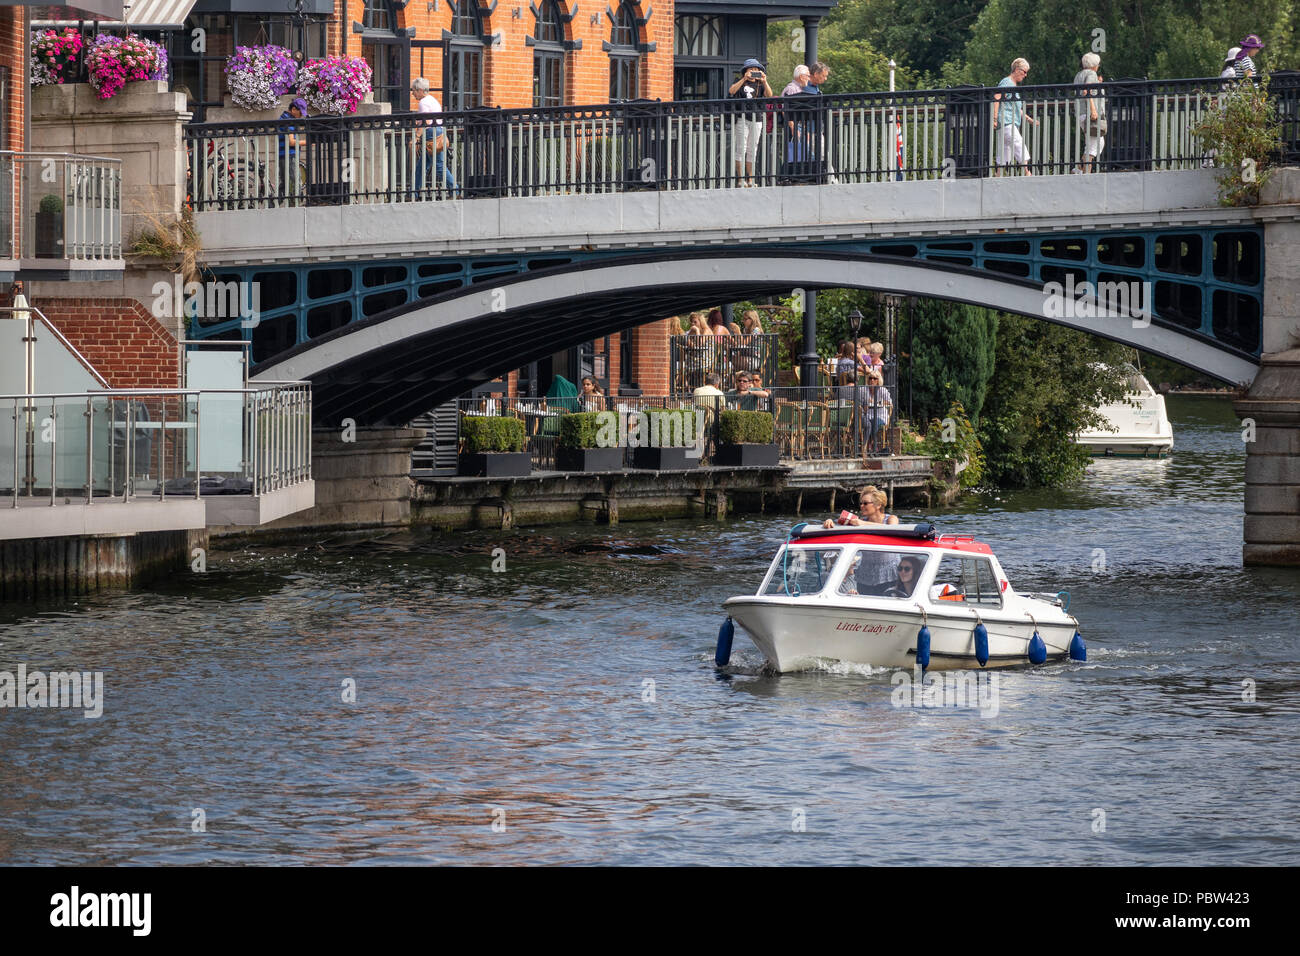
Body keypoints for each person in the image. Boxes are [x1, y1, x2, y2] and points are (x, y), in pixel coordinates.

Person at [729, 58, 772, 188]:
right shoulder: (739, 82)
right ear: (745, 71)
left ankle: (750, 178)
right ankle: (741, 179)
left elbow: (769, 95)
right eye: (751, 69)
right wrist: (744, 79)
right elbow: (731, 91)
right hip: (742, 118)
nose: (754, 71)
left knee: (752, 149)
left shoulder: (760, 84)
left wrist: (765, 81)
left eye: (756, 70)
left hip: (757, 119)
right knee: (741, 148)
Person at [411, 77, 456, 194]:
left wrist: (416, 137)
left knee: (439, 166)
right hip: (438, 131)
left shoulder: (423, 102)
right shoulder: (432, 100)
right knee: (421, 167)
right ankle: (414, 193)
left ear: (420, 90)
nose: (413, 93)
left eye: (414, 90)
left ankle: (455, 190)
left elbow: (426, 122)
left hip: (431, 134)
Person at [993, 58, 1038, 176]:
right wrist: (994, 118)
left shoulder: (1012, 85)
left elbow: (1017, 108)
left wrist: (1029, 119)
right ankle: (1027, 172)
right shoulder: (1007, 82)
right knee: (1018, 143)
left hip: (1007, 122)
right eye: (1024, 72)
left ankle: (998, 175)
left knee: (1005, 149)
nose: (1025, 75)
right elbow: (997, 97)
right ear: (1017, 70)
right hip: (1006, 121)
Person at [1074, 52, 1106, 174]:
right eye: (1098, 64)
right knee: (1095, 143)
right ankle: (1084, 172)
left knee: (1093, 142)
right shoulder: (1092, 74)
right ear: (1094, 65)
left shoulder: (1079, 75)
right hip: (1089, 113)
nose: (1098, 66)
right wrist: (1093, 110)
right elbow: (1087, 91)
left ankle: (1079, 169)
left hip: (1081, 112)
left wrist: (1098, 84)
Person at [822, 485, 899, 529]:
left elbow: (892, 529)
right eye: (861, 503)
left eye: (865, 503)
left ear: (878, 505)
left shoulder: (891, 519)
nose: (861, 506)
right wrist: (829, 521)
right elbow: (837, 525)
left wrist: (863, 524)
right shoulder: (860, 521)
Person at [278, 98, 306, 201]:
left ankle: (273, 205)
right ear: (294, 109)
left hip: (284, 154)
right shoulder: (288, 120)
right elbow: (291, 142)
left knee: (285, 184)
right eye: (300, 113)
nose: (301, 116)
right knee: (296, 182)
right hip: (289, 154)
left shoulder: (285, 117)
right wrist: (307, 142)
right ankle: (297, 204)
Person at [865, 369, 893, 452]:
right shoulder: (865, 390)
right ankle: (871, 445)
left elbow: (890, 403)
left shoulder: (882, 390)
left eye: (874, 378)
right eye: (870, 378)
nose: (872, 380)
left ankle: (872, 444)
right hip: (868, 414)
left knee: (874, 422)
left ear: (878, 380)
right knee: (866, 422)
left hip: (880, 415)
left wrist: (877, 402)